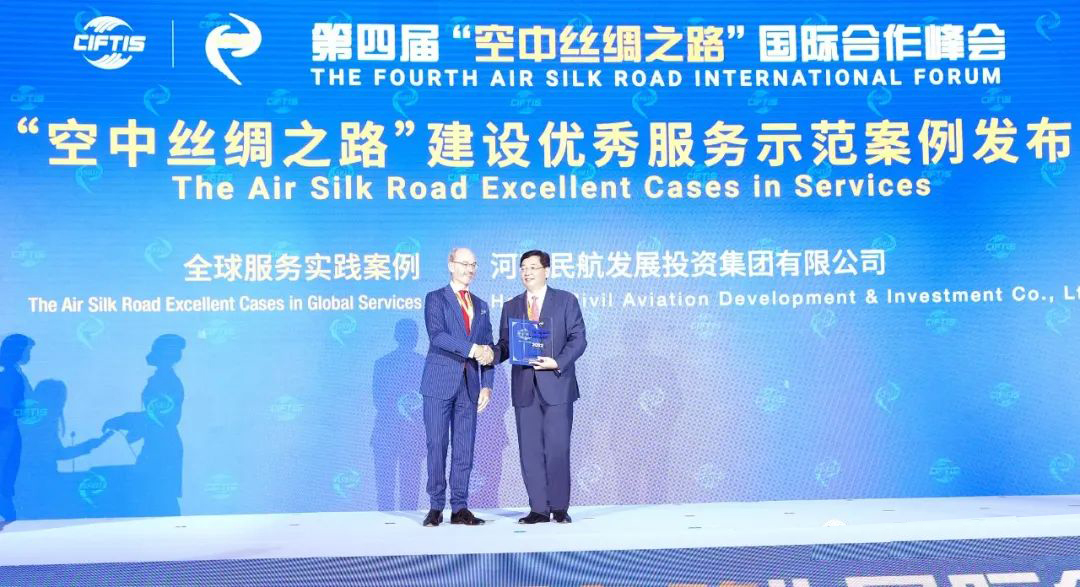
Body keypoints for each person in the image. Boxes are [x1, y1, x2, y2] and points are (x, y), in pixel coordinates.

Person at [493, 250, 587, 524]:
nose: (527, 272)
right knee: (530, 450)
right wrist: (491, 354)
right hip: (525, 387)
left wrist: (557, 362)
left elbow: (579, 339)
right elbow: (506, 345)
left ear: (547, 271)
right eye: (523, 267)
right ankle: (538, 509)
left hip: (557, 385)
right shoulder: (511, 305)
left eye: (533, 267)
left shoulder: (565, 301)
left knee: (558, 448)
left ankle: (559, 507)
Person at [418, 247, 495, 527]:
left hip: (469, 385)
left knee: (464, 447)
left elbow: (488, 348)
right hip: (439, 383)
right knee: (436, 444)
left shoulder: (482, 305)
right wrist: (473, 349)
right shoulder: (436, 298)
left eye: (474, 264)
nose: (470, 269)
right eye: (464, 263)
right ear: (451, 265)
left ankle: (460, 507)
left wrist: (487, 385)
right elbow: (438, 336)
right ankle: (436, 506)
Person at [103, 334, 186, 516]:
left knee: (160, 497)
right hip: (158, 444)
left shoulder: (166, 382)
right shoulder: (162, 380)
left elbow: (160, 418)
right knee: (155, 495)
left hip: (163, 447)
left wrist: (122, 420)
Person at [0, 334, 34, 529]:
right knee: (4, 476)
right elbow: (6, 408)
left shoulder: (14, 372)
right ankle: (8, 519)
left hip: (10, 431)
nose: (29, 354)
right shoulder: (8, 375)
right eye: (27, 350)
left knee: (7, 477)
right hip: (6, 432)